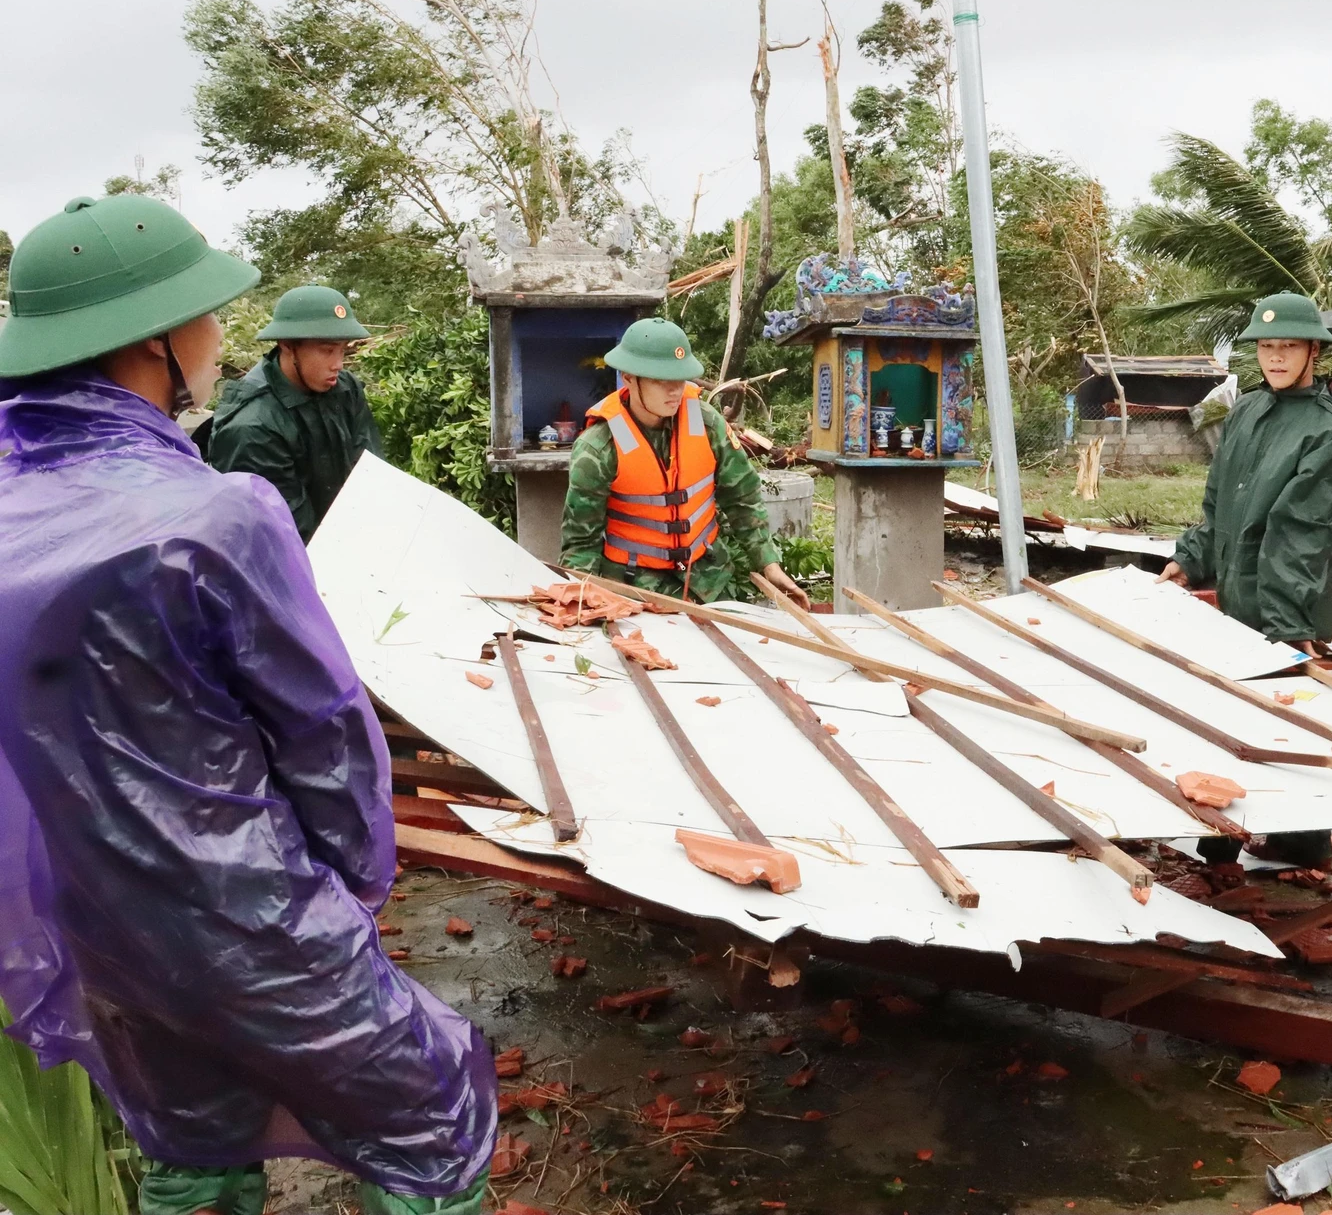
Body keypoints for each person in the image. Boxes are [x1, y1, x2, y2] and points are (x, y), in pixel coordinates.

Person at [0, 194, 494, 1215]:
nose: (221, 339)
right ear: (153, 343)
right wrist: (350, 888)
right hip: (248, 912)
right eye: (209, 317)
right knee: (433, 1122)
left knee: (190, 1140)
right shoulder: (218, 513)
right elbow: (322, 734)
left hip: (91, 929)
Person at [1161, 291, 1332, 867]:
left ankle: (1303, 842)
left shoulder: (1327, 431)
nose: (1275, 357)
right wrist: (1191, 558)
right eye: (1267, 347)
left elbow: (1299, 530)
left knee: (1288, 709)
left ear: (1312, 353)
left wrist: (1288, 624)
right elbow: (1219, 501)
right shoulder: (1245, 410)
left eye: (1287, 346)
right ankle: (1220, 834)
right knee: (1228, 705)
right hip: (1240, 583)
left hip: (1294, 586)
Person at [562, 315, 808, 604]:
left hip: (707, 582)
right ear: (628, 378)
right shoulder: (598, 447)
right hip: (633, 591)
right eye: (660, 380)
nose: (675, 390)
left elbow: (741, 495)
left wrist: (768, 563)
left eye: (679, 379)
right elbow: (581, 543)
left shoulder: (706, 424)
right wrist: (581, 602)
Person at [207, 284, 385, 541]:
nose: (338, 364)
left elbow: (371, 471)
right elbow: (287, 534)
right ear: (287, 345)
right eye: (327, 351)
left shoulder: (346, 388)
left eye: (342, 350)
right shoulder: (251, 427)